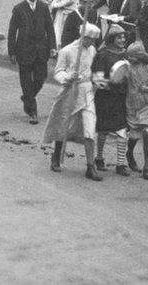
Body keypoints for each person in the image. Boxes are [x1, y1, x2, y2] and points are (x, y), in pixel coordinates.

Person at [42, 23, 103, 181]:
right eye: (89, 39)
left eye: (94, 40)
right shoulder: (67, 51)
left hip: (87, 92)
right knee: (64, 125)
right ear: (83, 36)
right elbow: (58, 72)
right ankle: (56, 156)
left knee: (90, 128)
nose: (91, 43)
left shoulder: (92, 50)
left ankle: (90, 166)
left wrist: (99, 81)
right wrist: (68, 77)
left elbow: (94, 70)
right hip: (70, 91)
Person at [8, 0, 55, 124]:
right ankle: (33, 111)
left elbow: (50, 28)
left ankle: (27, 98)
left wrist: (53, 47)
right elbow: (12, 31)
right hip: (24, 50)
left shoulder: (43, 7)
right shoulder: (18, 9)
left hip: (41, 50)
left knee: (41, 78)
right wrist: (12, 52)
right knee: (26, 82)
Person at [115, 41, 148, 180]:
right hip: (131, 106)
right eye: (128, 56)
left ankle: (146, 167)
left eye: (132, 56)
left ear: (140, 56)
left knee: (147, 133)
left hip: (147, 105)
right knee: (134, 136)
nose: (129, 58)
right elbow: (119, 82)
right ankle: (129, 153)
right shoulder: (126, 68)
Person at [92, 25, 131, 176]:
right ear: (112, 39)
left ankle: (120, 164)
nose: (122, 40)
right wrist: (111, 83)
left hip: (121, 98)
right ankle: (99, 157)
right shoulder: (102, 55)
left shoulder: (127, 55)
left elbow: (130, 73)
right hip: (105, 98)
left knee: (122, 130)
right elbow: (97, 79)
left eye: (123, 37)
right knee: (103, 130)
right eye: (119, 37)